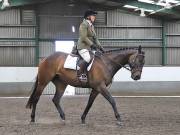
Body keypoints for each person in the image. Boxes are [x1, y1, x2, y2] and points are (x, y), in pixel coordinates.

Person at [77, 9, 105, 81]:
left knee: (97, 58)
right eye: (93, 16)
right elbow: (83, 37)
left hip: (89, 48)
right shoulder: (83, 24)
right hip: (82, 47)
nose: (94, 17)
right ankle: (81, 74)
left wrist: (100, 47)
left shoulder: (91, 26)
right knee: (88, 58)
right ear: (88, 17)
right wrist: (92, 45)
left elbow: (95, 38)